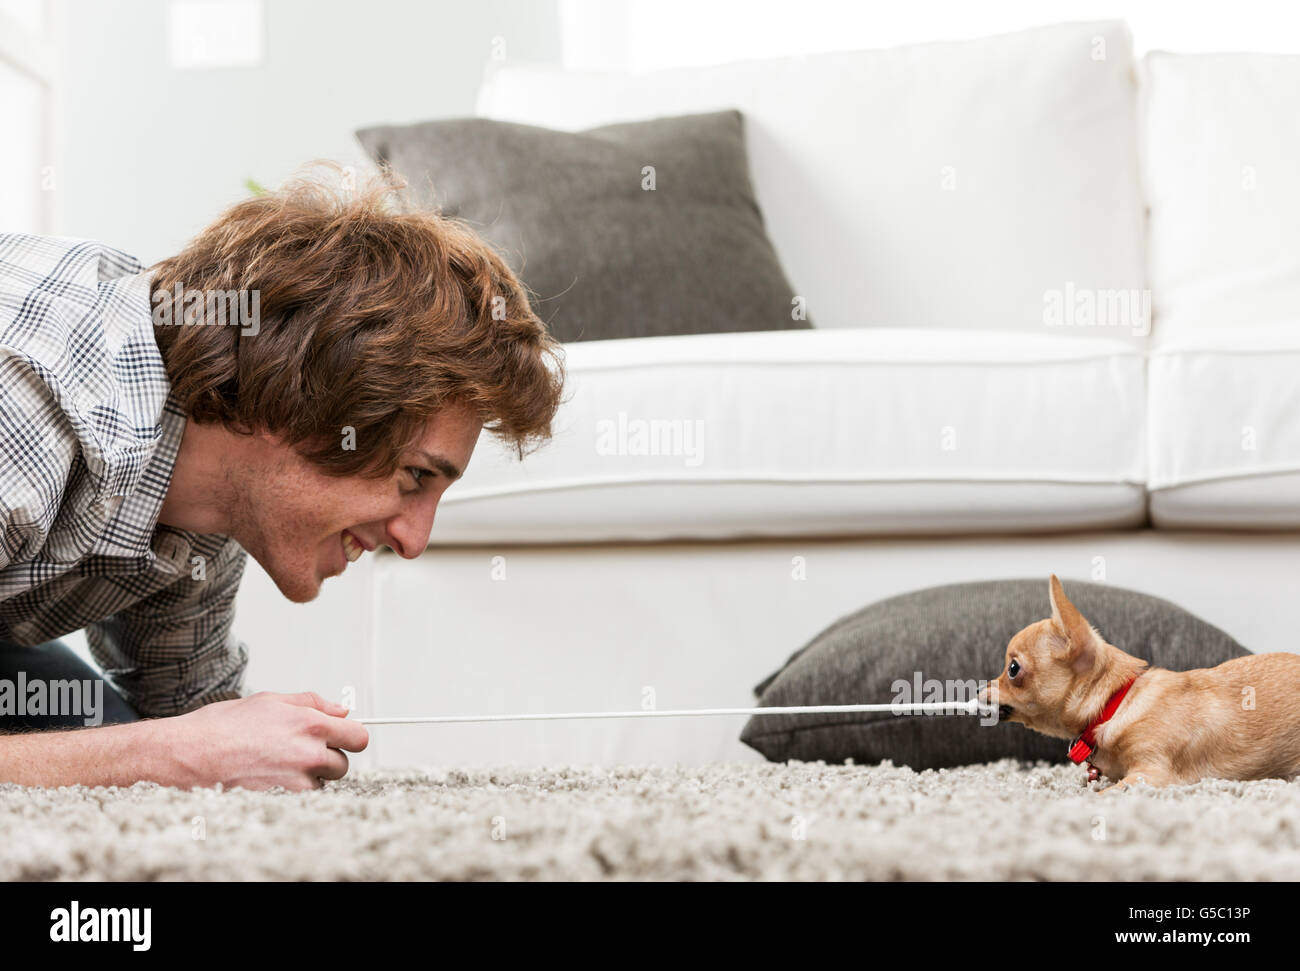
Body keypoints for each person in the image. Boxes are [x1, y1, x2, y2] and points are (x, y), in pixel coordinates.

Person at [0, 165, 563, 790]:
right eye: (414, 477)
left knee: (99, 732)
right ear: (302, 403)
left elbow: (191, 715)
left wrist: (208, 745)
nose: (414, 539)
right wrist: (159, 755)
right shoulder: (27, 401)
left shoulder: (209, 494)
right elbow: (174, 747)